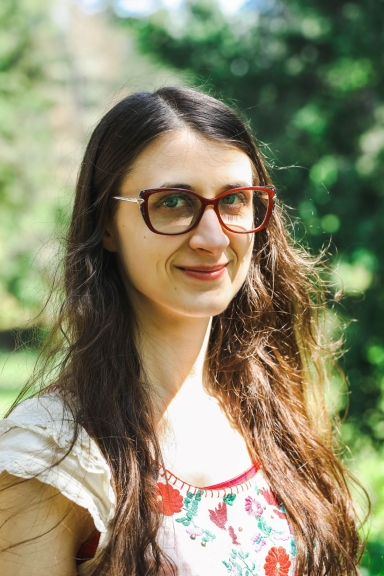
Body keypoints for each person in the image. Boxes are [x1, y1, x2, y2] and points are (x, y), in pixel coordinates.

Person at [0, 86, 364, 576]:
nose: (213, 237)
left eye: (235, 200)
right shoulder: (49, 458)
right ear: (107, 224)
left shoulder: (265, 406)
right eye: (173, 202)